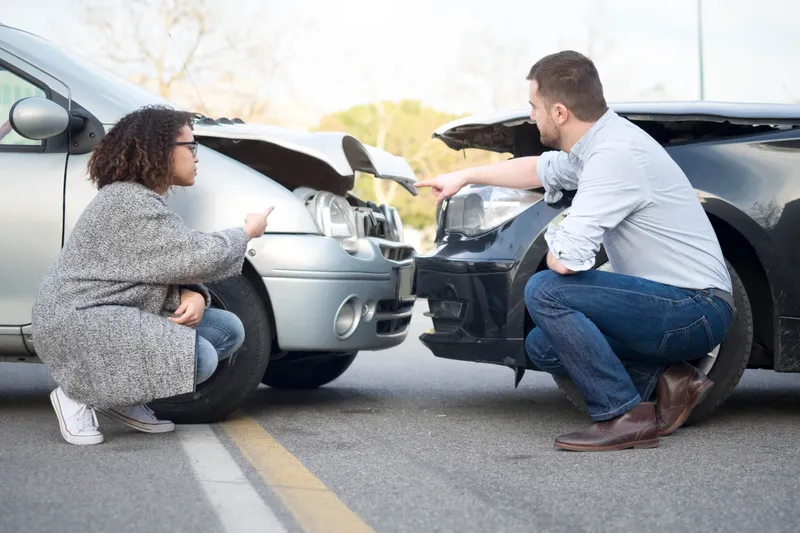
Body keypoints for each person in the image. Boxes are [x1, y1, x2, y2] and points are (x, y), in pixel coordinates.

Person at [414, 51, 735, 452]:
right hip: (670, 305)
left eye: (535, 107)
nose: (532, 117)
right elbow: (538, 170)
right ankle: (671, 378)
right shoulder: (599, 145)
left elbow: (564, 261)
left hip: (696, 309)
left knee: (545, 290)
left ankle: (623, 414)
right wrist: (464, 175)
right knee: (542, 346)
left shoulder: (614, 156)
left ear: (560, 112)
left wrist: (562, 241)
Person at [32, 105, 274, 446]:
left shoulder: (139, 199)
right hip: (78, 322)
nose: (196, 156)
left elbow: (159, 267)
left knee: (227, 330)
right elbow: (196, 256)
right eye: (190, 147)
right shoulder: (128, 203)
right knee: (199, 357)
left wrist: (193, 294)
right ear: (161, 152)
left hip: (111, 313)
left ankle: (121, 396)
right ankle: (77, 391)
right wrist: (247, 232)